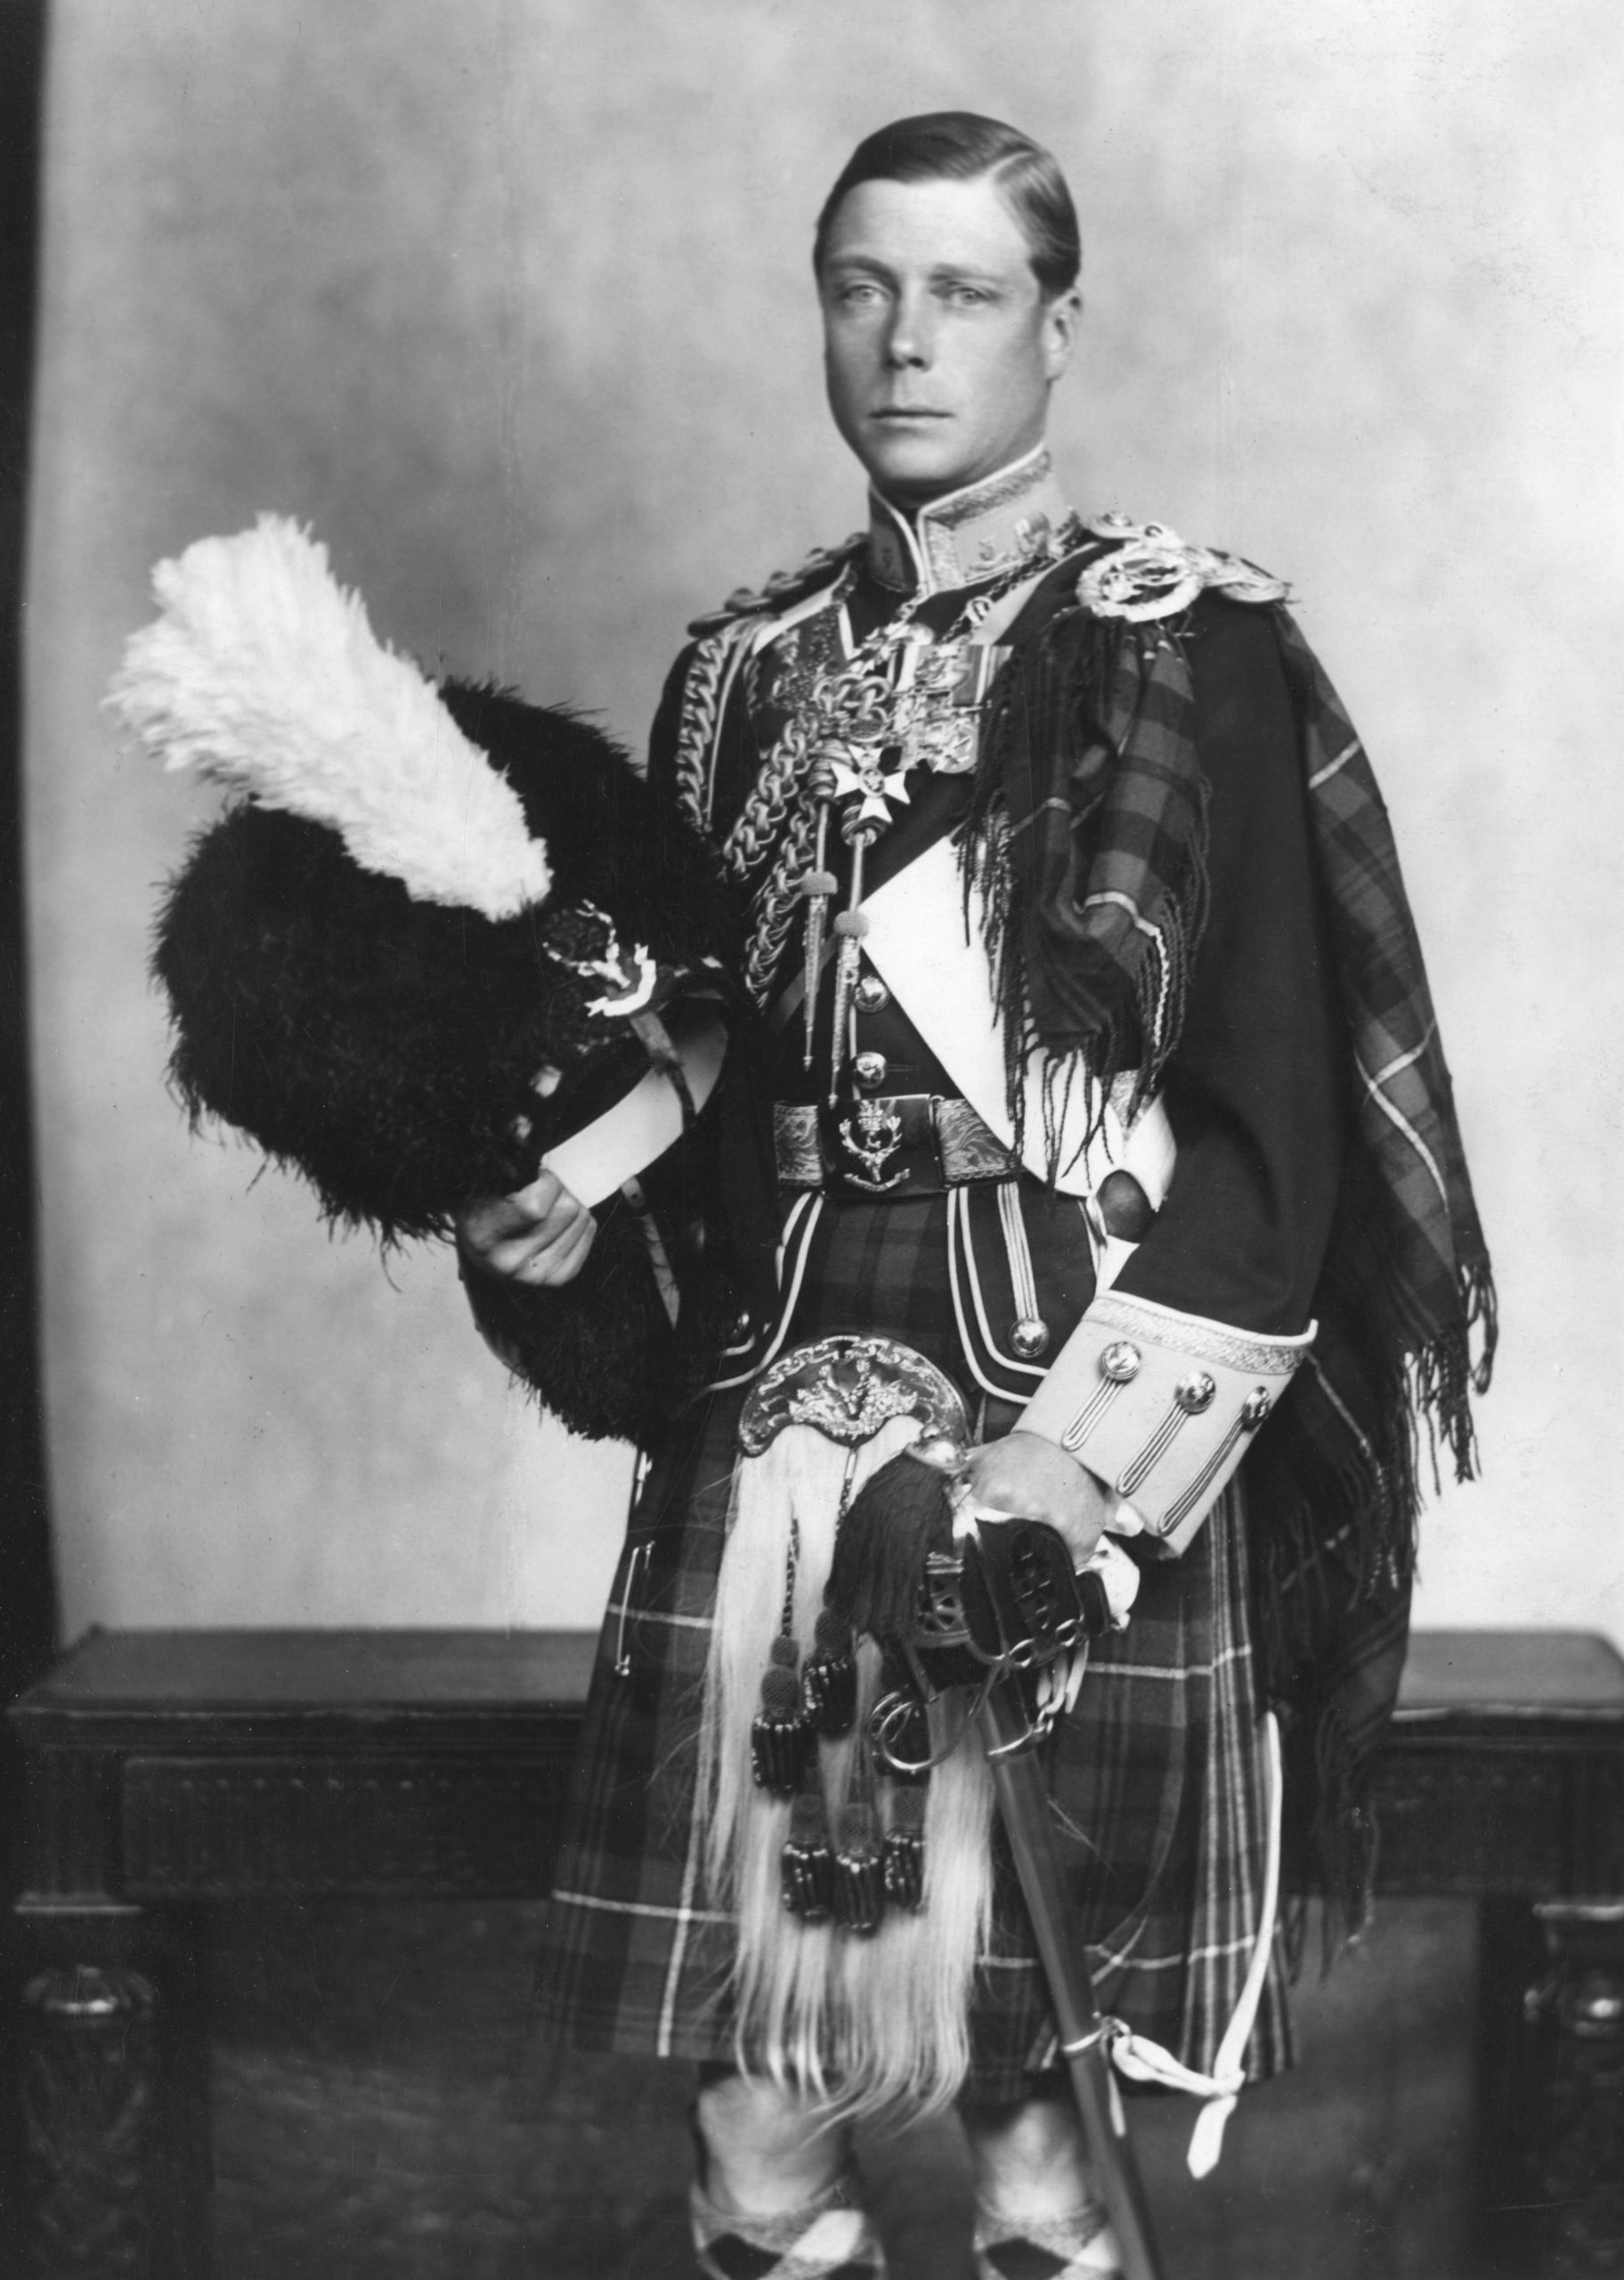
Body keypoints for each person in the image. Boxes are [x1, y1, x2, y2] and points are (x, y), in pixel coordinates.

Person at [456, 113, 1492, 2280]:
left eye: (965, 292)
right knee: (749, 2118)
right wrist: (577, 1196)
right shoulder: (738, 673)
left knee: (1036, 2142)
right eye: (861, 286)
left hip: (1050, 1407)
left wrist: (1072, 1478)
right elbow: (719, 1075)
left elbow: (1273, 1137)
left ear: (1057, 329)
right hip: (766, 1426)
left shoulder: (1175, 646)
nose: (904, 341)